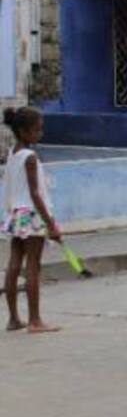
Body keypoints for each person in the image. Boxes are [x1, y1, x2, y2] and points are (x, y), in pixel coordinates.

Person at [3, 107, 62, 334]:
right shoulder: (30, 157)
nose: (41, 134)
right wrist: (51, 224)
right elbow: (36, 193)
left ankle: (14, 319)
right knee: (33, 268)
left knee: (14, 264)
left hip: (16, 213)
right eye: (37, 130)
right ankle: (35, 320)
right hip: (32, 215)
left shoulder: (13, 153)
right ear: (23, 131)